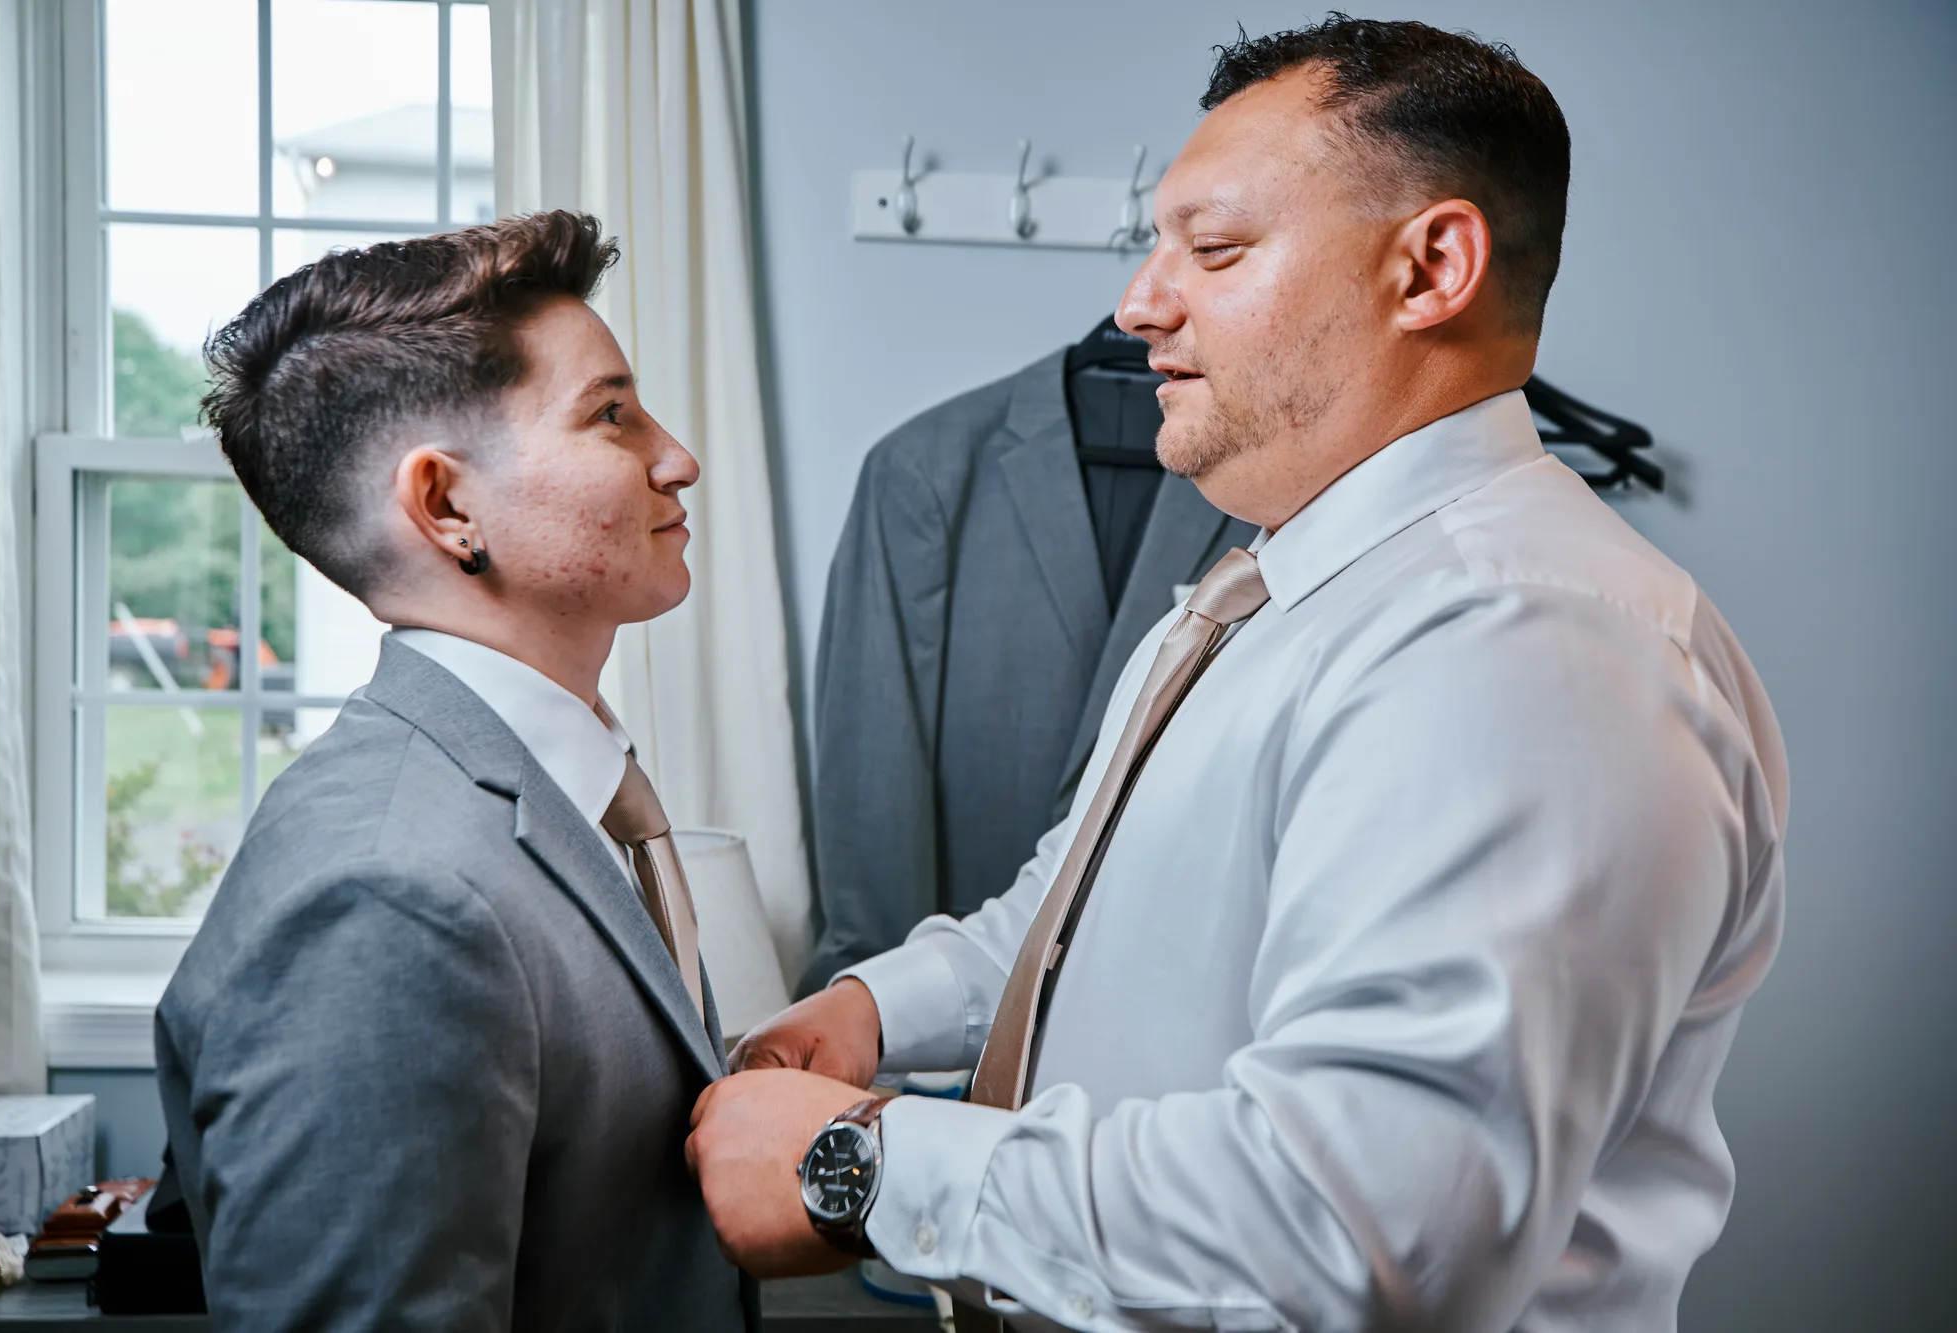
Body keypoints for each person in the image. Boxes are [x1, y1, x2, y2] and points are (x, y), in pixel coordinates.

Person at [686, 17, 1787, 1333]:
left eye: (1214, 250)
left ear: (1431, 266)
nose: (1140, 303)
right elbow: (1075, 917)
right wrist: (877, 1006)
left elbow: (1361, 1224)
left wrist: (860, 1163)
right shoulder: (1265, 587)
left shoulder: (1516, 644)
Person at [155, 211, 753, 1332]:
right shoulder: (388, 895)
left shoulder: (535, 799)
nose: (677, 456)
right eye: (611, 414)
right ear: (445, 504)